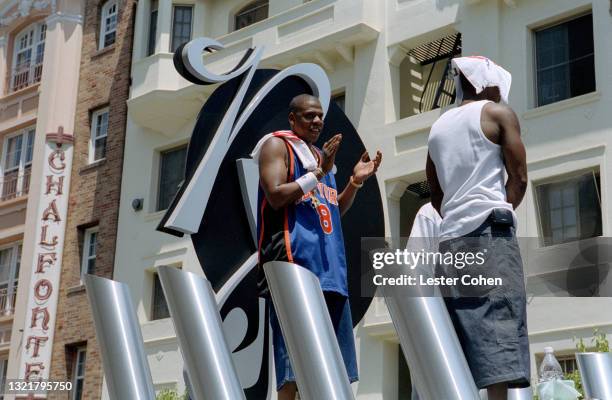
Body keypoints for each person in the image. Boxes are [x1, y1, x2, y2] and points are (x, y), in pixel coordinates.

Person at [251, 94, 382, 400]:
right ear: (292, 119)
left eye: (320, 116)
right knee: (292, 371)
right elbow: (276, 196)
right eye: (309, 116)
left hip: (330, 271)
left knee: (332, 367)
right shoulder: (277, 146)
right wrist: (320, 171)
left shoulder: (319, 159)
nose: (317, 121)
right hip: (295, 268)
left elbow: (332, 209)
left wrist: (355, 182)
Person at [426, 56, 530, 400]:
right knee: (498, 326)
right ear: (485, 84)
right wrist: (497, 208)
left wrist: (458, 215)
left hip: (450, 242)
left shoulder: (438, 127)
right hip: (490, 234)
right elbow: (519, 177)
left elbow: (436, 193)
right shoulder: (497, 114)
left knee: (463, 332)